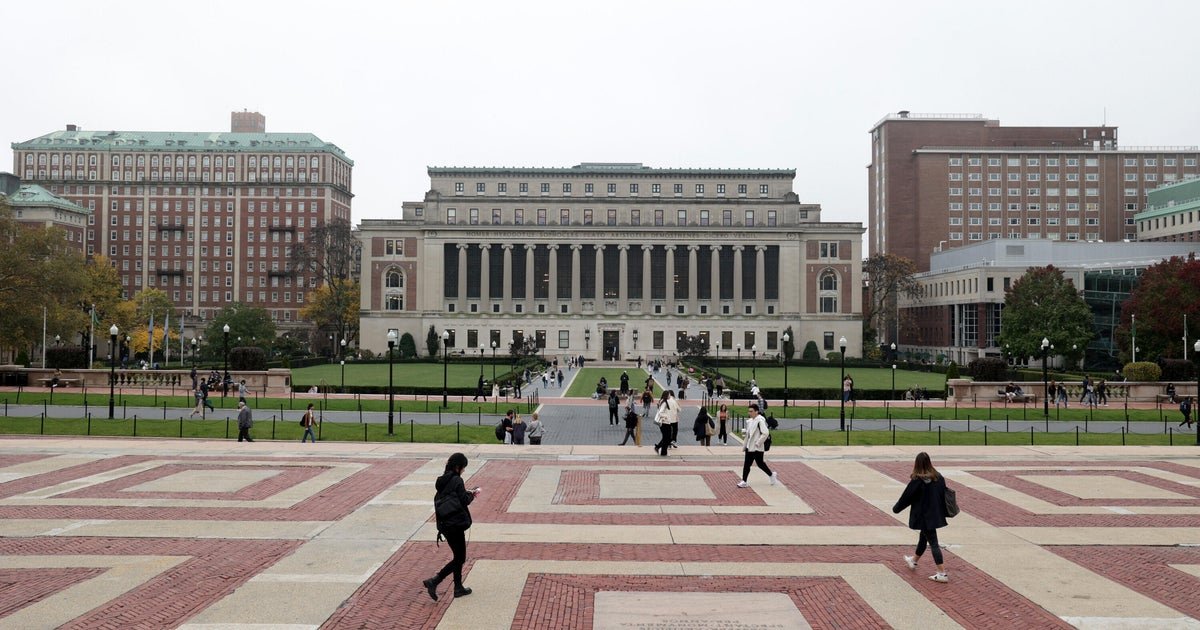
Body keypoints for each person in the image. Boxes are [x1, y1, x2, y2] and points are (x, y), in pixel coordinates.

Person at [423, 453, 479, 601]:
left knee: (458, 557)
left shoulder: (442, 480)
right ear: (457, 467)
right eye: (463, 467)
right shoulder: (457, 480)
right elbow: (463, 500)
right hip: (455, 524)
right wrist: (472, 495)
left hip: (445, 525)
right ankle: (435, 581)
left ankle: (458, 588)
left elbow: (451, 496)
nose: (463, 471)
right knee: (460, 558)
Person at [892, 452, 951, 583]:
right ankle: (913, 561)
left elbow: (906, 498)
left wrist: (896, 509)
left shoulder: (917, 481)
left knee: (933, 543)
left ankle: (941, 573)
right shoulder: (938, 477)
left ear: (917, 464)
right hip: (935, 514)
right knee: (924, 538)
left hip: (923, 516)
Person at [737, 403, 776, 488]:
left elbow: (765, 433)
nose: (749, 413)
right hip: (749, 447)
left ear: (756, 411)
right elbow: (749, 434)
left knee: (760, 464)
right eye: (749, 411)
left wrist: (758, 442)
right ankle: (744, 481)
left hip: (757, 447)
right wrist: (745, 441)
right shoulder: (750, 421)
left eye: (751, 411)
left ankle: (771, 474)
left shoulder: (760, 420)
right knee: (747, 464)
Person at [653, 390, 680, 456]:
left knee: (666, 438)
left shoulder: (664, 401)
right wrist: (666, 417)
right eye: (669, 395)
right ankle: (662, 451)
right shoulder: (664, 403)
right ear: (666, 395)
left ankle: (661, 450)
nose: (670, 396)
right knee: (667, 438)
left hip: (666, 422)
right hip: (665, 422)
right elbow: (660, 412)